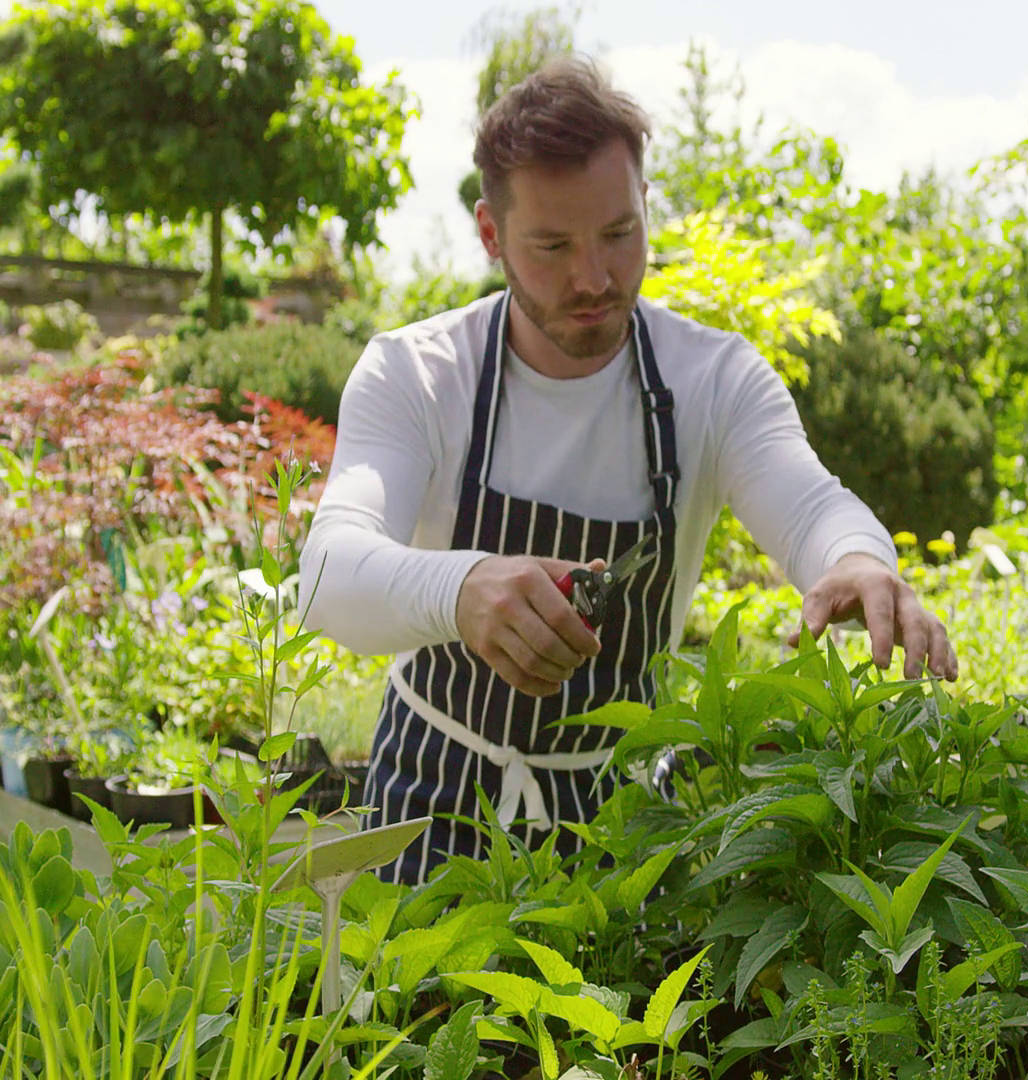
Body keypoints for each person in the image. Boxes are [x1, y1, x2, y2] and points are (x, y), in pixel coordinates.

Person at [297, 55, 957, 884]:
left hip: (621, 830)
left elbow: (811, 503)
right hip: (428, 805)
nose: (595, 278)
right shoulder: (420, 373)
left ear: (645, 204)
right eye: (552, 246)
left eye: (619, 234)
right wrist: (461, 591)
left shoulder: (711, 380)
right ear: (491, 235)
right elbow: (327, 575)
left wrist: (860, 561)